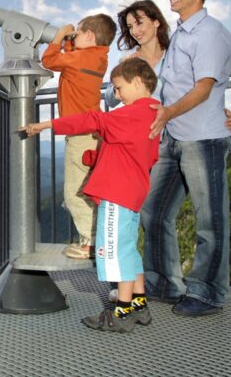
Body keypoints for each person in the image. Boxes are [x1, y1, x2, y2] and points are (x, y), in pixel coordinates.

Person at [22, 57, 161, 333]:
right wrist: (97, 157)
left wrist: (47, 125)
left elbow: (92, 119)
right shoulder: (152, 114)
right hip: (132, 192)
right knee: (129, 250)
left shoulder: (131, 113)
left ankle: (121, 313)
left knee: (115, 252)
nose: (116, 95)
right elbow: (132, 152)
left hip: (117, 194)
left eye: (119, 88)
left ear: (137, 82)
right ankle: (139, 303)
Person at [143, 0, 231, 316]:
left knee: (209, 219)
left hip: (203, 139)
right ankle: (163, 282)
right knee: (154, 212)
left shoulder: (210, 32)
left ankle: (207, 293)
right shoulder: (180, 32)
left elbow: (204, 87)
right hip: (174, 138)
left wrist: (166, 114)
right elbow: (168, 85)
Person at [41, 14, 116, 259]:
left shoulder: (79, 58)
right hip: (92, 132)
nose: (73, 37)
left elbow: (48, 60)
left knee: (74, 193)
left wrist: (61, 35)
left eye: (78, 32)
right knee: (88, 188)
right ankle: (93, 238)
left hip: (80, 134)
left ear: (89, 36)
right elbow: (71, 58)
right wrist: (74, 39)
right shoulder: (98, 58)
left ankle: (91, 243)